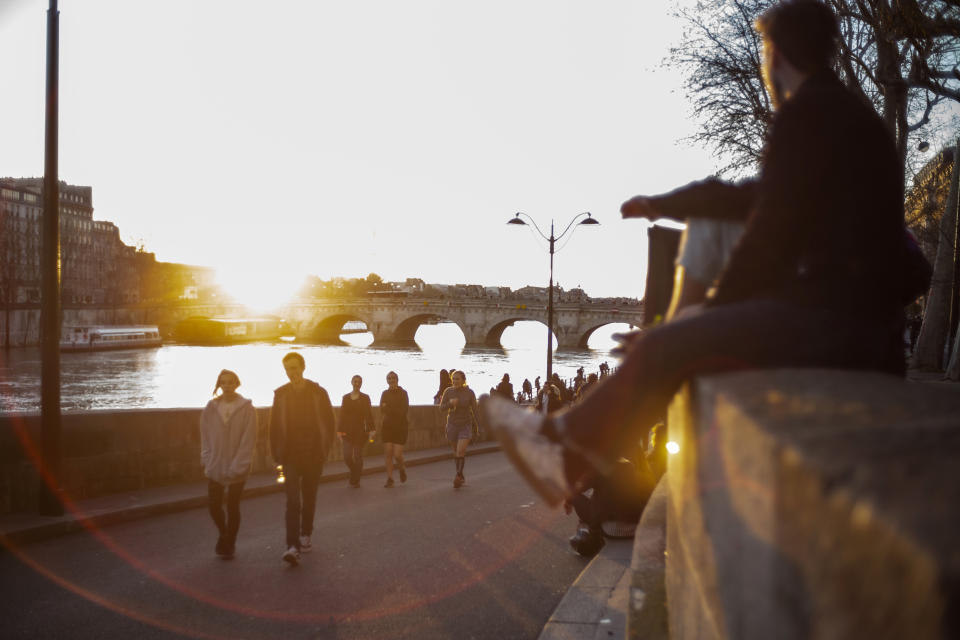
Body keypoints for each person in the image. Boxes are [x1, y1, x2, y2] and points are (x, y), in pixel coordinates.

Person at [482, 0, 911, 507]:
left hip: (837, 325)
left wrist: (717, 309)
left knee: (666, 344)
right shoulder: (841, 115)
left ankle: (562, 443)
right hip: (858, 323)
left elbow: (766, 228)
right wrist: (663, 205)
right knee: (668, 341)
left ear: (774, 54)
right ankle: (571, 455)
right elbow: (748, 197)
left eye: (763, 53)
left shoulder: (809, 115)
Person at [270, 352, 335, 566]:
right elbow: (274, 427)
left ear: (303, 368)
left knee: (309, 498)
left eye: (295, 368)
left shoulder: (318, 392)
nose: (292, 372)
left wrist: (325, 450)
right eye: (288, 369)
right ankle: (292, 546)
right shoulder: (280, 395)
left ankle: (306, 533)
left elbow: (329, 422)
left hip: (313, 453)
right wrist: (276, 455)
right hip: (290, 455)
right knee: (292, 501)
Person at [199, 369, 257, 559]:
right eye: (223, 382)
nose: (227, 386)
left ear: (236, 384)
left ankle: (229, 543)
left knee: (233, 507)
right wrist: (207, 459)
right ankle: (224, 534)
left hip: (237, 467)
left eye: (230, 382)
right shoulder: (211, 407)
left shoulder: (247, 408)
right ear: (219, 385)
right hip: (215, 465)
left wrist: (238, 465)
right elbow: (205, 437)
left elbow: (249, 440)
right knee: (214, 506)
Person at [439, 370, 478, 488]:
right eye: (453, 379)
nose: (455, 381)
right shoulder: (448, 391)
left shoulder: (469, 393)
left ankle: (458, 476)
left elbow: (475, 410)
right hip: (452, 425)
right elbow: (441, 408)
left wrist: (479, 426)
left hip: (465, 424)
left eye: (458, 379)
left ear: (463, 380)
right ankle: (460, 475)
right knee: (456, 452)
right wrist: (450, 404)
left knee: (460, 451)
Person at [337, 374, 375, 488]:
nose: (357, 383)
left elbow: (369, 414)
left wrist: (371, 429)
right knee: (347, 456)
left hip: (360, 431)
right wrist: (339, 431)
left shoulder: (365, 397)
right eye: (355, 381)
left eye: (359, 382)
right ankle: (355, 472)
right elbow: (342, 415)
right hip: (347, 432)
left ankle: (356, 479)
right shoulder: (345, 397)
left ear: (361, 383)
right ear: (351, 382)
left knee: (358, 456)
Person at [380, 371, 410, 488]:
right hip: (387, 427)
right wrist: (391, 409)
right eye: (389, 378)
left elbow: (403, 411)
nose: (391, 380)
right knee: (388, 453)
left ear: (397, 379)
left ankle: (401, 468)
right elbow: (382, 409)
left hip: (400, 427)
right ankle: (390, 478)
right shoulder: (384, 393)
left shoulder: (403, 393)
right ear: (387, 380)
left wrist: (389, 408)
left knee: (397, 455)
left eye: (393, 378)